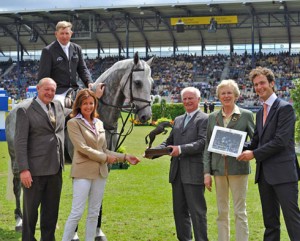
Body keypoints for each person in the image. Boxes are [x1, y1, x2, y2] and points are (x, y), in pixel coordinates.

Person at [62, 89, 140, 241]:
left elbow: (104, 148)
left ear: (95, 105)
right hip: (83, 172)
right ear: (79, 105)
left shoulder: (98, 123)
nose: (88, 106)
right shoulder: (73, 123)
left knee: (94, 213)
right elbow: (83, 148)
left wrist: (125, 156)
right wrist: (105, 158)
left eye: (91, 103)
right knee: (76, 212)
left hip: (100, 173)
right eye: (85, 104)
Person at [237, 66, 300, 241]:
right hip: (265, 175)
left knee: (293, 220)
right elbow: (255, 142)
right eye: (255, 84)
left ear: (272, 84)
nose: (259, 87)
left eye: (262, 83)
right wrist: (233, 145)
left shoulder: (285, 109)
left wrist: (254, 155)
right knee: (270, 223)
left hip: (284, 174)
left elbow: (280, 142)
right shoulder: (259, 113)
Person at [146, 87, 209, 241]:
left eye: (191, 98)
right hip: (177, 173)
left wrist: (180, 149)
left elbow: (203, 143)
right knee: (179, 212)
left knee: (197, 212)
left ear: (199, 100)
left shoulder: (205, 119)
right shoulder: (179, 119)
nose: (187, 101)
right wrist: (152, 152)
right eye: (185, 98)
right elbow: (169, 142)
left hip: (194, 172)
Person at [203, 79, 255, 241]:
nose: (226, 96)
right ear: (218, 96)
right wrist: (206, 172)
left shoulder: (246, 115)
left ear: (236, 95)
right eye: (223, 93)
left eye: (229, 93)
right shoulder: (212, 117)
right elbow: (207, 147)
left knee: (240, 211)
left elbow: (255, 142)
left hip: (238, 168)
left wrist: (239, 148)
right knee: (221, 212)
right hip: (218, 170)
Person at [14, 77, 65, 241]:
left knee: (51, 214)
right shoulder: (25, 109)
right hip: (33, 172)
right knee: (30, 215)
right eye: (46, 89)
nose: (50, 93)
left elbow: (82, 106)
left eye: (53, 90)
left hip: (55, 169)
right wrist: (23, 170)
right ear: (38, 88)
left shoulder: (57, 106)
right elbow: (20, 142)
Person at [38, 20, 94, 95]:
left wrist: (89, 82)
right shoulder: (48, 51)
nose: (64, 36)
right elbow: (44, 76)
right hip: (57, 91)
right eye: (62, 33)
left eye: (67, 33)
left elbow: (82, 69)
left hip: (75, 89)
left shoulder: (77, 48)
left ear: (71, 34)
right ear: (56, 34)